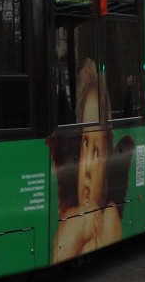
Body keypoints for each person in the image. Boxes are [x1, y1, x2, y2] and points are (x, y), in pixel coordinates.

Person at [51, 58, 134, 263]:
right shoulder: (69, 217)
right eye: (85, 144)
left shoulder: (109, 218)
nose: (86, 167)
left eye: (97, 152)